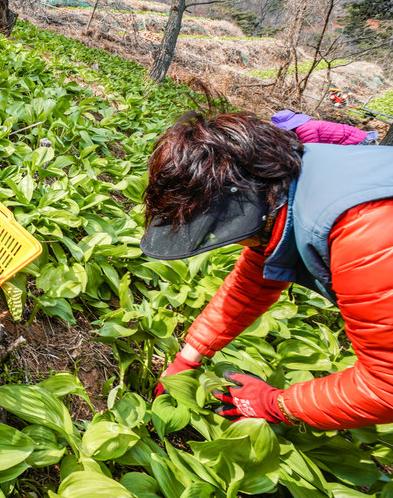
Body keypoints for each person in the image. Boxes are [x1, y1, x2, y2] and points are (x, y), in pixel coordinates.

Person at [141, 111, 393, 430]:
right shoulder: (286, 181)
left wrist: (275, 404)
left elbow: (387, 387)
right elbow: (252, 282)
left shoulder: (365, 232)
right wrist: (187, 358)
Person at [271, 109, 377, 145]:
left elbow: (312, 150)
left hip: (355, 141)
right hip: (354, 137)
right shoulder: (305, 126)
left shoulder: (304, 129)